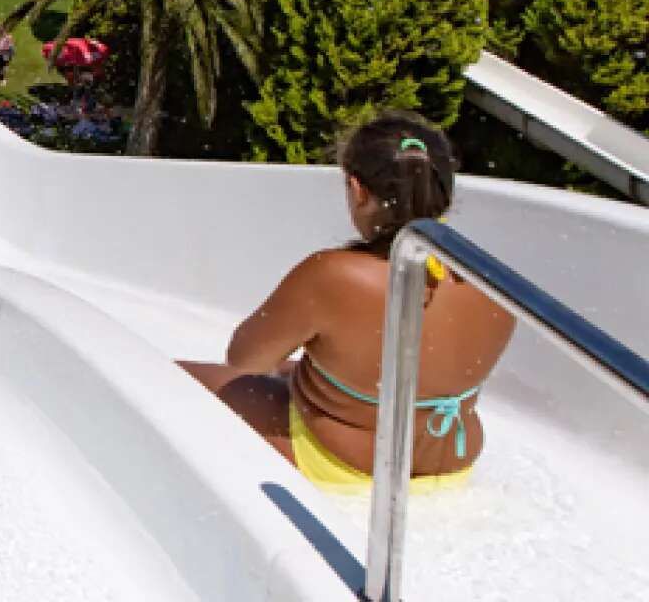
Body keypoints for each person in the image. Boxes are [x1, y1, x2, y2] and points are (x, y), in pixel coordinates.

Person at [179, 113, 515, 493]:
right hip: (450, 464)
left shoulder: (335, 274)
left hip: (348, 466)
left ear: (358, 190)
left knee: (173, 377)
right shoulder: (493, 279)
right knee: (298, 372)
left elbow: (245, 358)